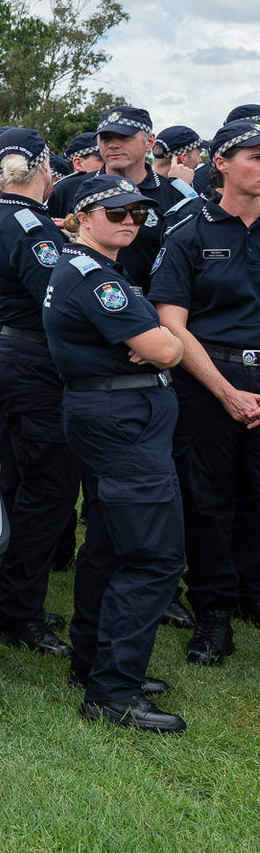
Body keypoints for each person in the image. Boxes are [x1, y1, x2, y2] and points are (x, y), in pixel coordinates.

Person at [44, 172, 188, 731]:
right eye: (116, 213)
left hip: (111, 415)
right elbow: (167, 348)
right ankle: (114, 691)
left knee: (107, 543)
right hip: (121, 419)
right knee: (153, 556)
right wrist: (160, 341)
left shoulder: (94, 270)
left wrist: (150, 338)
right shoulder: (92, 276)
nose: (130, 222)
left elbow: (151, 342)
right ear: (83, 216)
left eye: (138, 214)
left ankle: (94, 665)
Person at [150, 118, 260, 668]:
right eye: (255, 156)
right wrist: (225, 391)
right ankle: (214, 613)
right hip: (209, 379)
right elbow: (172, 322)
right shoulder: (190, 232)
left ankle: (252, 595)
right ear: (221, 163)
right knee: (208, 500)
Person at [0, 129, 78, 657]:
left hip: (7, 348)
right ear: (40, 169)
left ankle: (3, 602)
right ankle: (19, 612)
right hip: (33, 360)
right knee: (48, 488)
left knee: (18, 483)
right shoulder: (31, 225)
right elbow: (57, 299)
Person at [79, 106, 195, 290]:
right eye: (106, 138)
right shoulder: (69, 190)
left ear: (149, 142)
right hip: (87, 306)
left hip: (153, 307)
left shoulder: (176, 196)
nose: (113, 145)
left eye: (124, 137)